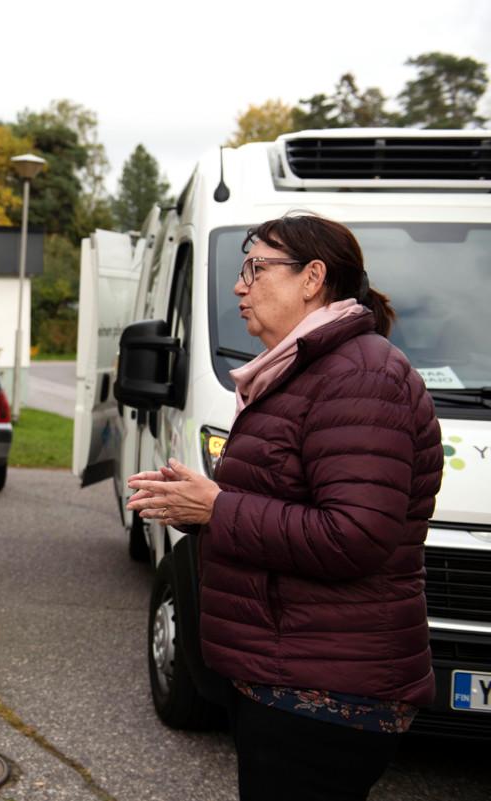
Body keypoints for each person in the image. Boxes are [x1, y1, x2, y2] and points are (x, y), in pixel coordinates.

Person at [125, 213, 442, 801]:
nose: (240, 287)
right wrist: (194, 503)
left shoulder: (361, 376)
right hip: (294, 677)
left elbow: (355, 536)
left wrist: (218, 508)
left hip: (326, 693)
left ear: (312, 278)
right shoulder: (311, 370)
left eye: (255, 268)